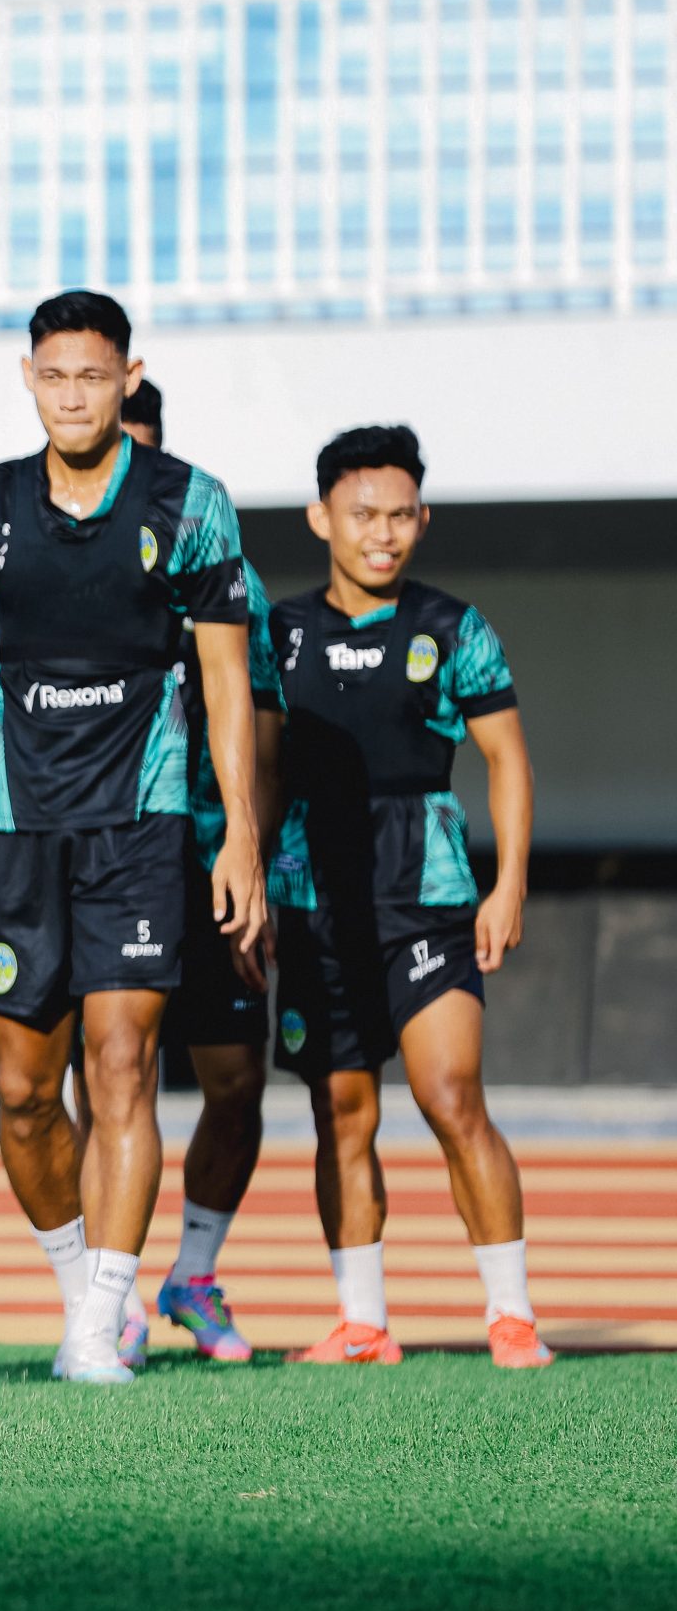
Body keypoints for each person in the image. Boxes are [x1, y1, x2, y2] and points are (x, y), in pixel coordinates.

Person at [0, 291, 265, 1385]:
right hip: (16, 826)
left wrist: (241, 834)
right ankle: (79, 1295)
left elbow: (225, 680)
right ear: (29, 378)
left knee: (123, 1065)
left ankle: (104, 1314)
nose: (74, 394)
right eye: (54, 375)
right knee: (25, 1093)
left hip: (145, 818)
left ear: (128, 377)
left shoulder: (191, 503)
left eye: (94, 376)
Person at [262, 425, 550, 1368]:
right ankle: (363, 1321)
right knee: (342, 1114)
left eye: (399, 516)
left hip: (425, 891)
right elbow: (258, 770)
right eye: (362, 514)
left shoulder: (452, 627)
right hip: (311, 895)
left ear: (422, 520)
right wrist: (251, 883)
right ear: (321, 518)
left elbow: (507, 758)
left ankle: (510, 1316)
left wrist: (507, 882)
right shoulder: (282, 632)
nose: (382, 533)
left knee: (450, 1092)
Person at [62, 378, 273, 1363]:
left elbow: (261, 716)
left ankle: (191, 1269)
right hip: (98, 846)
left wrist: (251, 848)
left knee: (234, 1082)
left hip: (200, 854)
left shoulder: (209, 547)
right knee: (102, 1079)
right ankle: (113, 1295)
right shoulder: (58, 556)